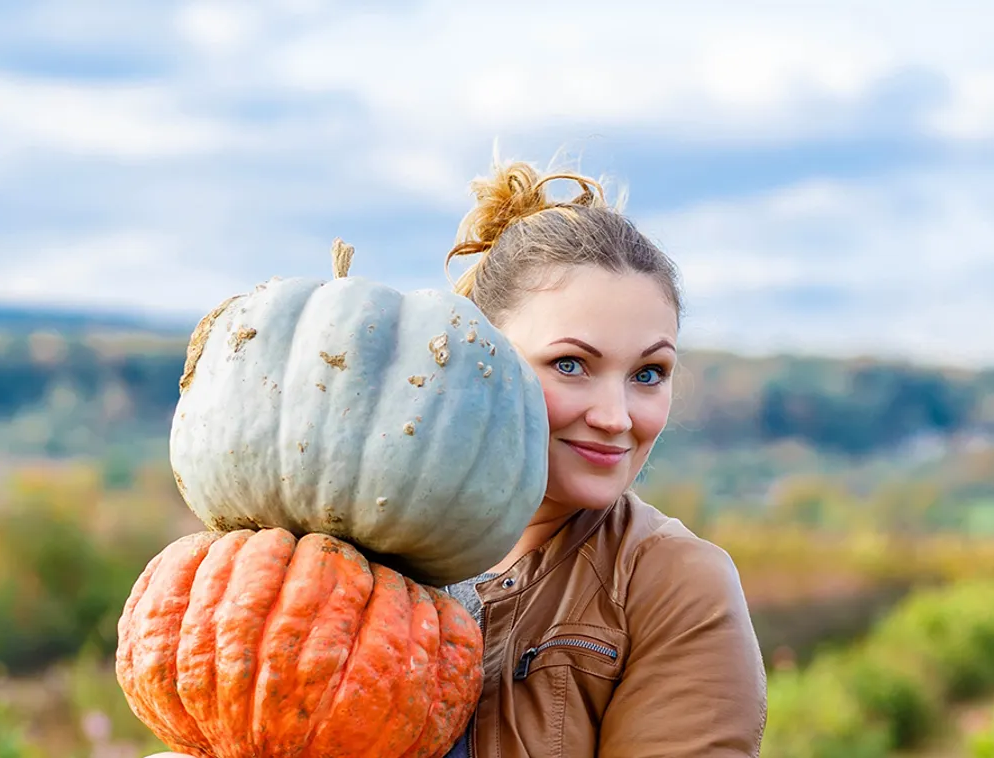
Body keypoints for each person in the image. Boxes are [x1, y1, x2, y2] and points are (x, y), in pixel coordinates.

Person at [146, 158, 768, 757]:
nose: (617, 416)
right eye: (570, 365)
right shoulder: (341, 552)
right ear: (484, 362)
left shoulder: (672, 582)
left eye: (649, 373)